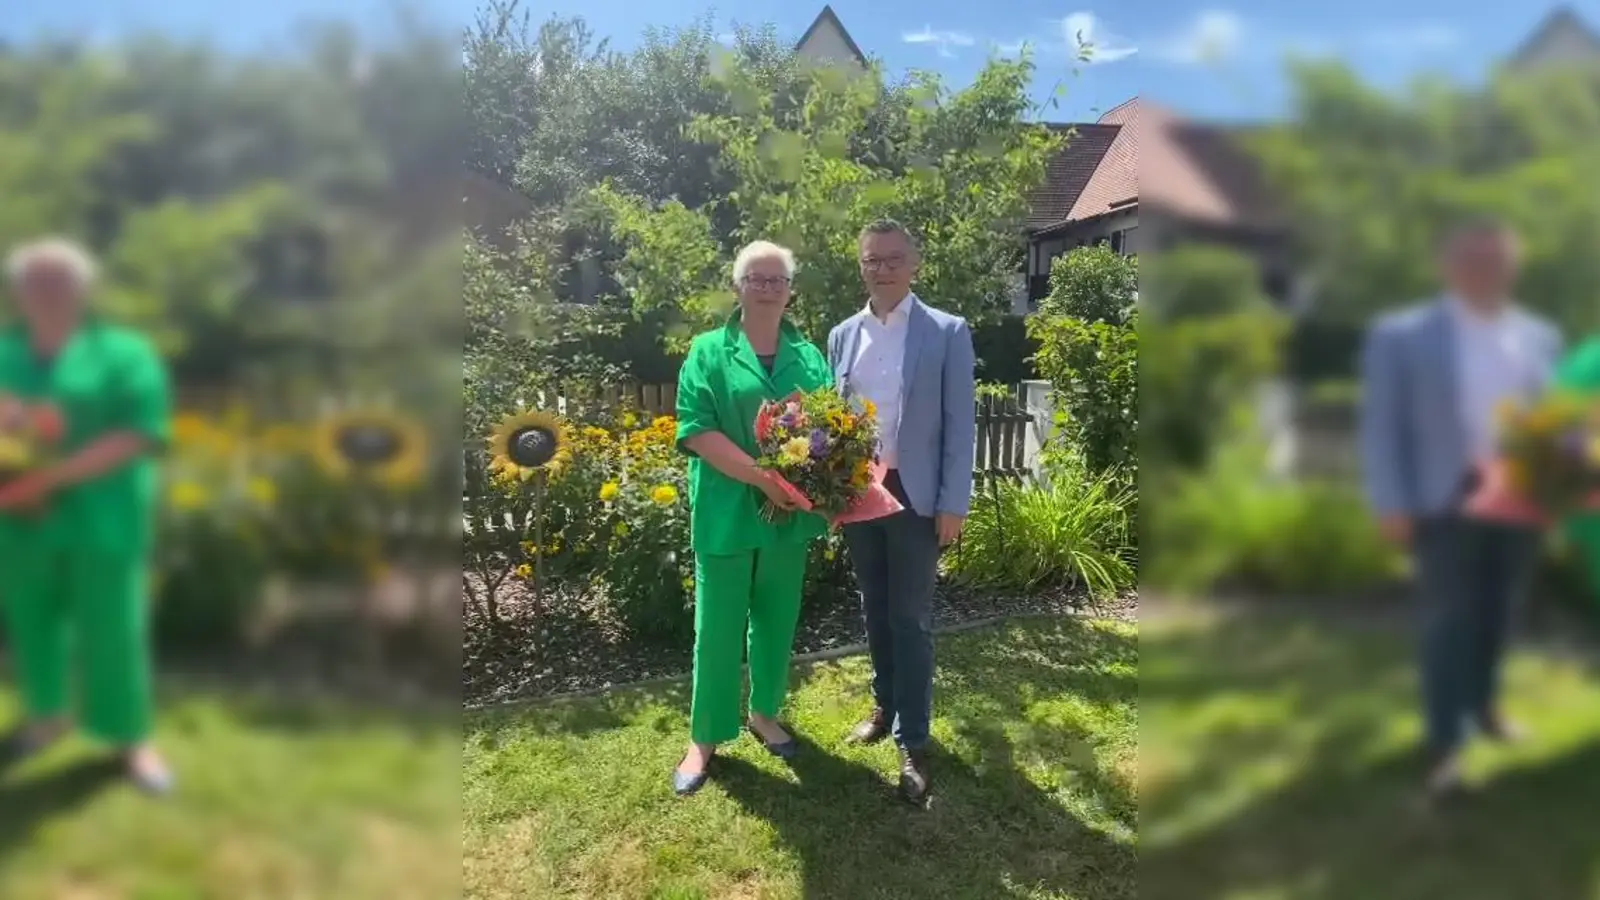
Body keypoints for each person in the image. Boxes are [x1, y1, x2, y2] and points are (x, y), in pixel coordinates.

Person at [1359, 219, 1562, 800]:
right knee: (1450, 621)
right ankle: (1446, 743)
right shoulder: (1402, 335)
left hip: (1520, 499)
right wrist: (1391, 501)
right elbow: (1382, 427)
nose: (1485, 270)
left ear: (1513, 266)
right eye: (1472, 260)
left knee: (1502, 612)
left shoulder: (1539, 336)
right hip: (1443, 497)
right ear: (1448, 266)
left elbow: (1552, 421)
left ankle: (1487, 708)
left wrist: (1558, 489)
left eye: (1496, 260)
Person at [0, 237, 175, 794]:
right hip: (19, 521)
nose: (47, 294)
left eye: (60, 282)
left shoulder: (125, 352)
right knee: (33, 624)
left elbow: (138, 435)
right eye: (35, 282)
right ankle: (47, 716)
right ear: (16, 292)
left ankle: (129, 738)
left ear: (84, 290)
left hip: (104, 518)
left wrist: (48, 478)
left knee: (114, 630)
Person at [671, 240, 833, 796]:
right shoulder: (708, 351)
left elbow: (827, 431)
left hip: (790, 516)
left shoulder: (809, 358)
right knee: (715, 631)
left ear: (790, 290)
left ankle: (765, 713)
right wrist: (765, 478)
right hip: (726, 511)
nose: (767, 287)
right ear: (738, 286)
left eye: (777, 280)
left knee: (776, 620)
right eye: (756, 278)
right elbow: (696, 429)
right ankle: (705, 736)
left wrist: (817, 484)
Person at [828, 219, 975, 805]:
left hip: (916, 495)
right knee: (875, 606)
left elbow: (961, 424)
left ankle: (913, 740)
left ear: (914, 264)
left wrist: (952, 502)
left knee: (911, 618)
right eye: (872, 260)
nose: (882, 268)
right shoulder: (842, 335)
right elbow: (831, 419)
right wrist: (829, 488)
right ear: (860, 266)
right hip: (860, 492)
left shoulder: (946, 331)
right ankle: (884, 705)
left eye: (892, 259)